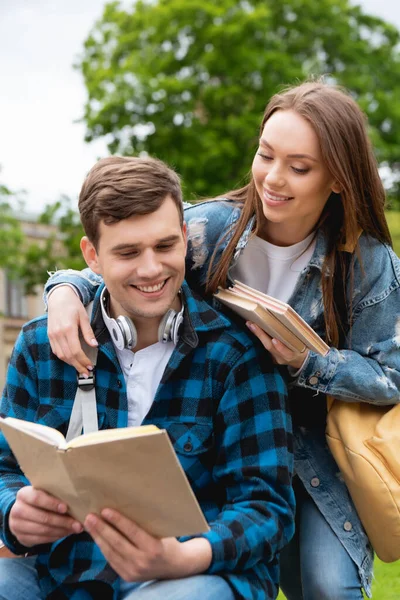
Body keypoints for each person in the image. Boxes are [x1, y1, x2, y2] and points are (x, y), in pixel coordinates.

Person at [42, 80, 400, 600]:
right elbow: (127, 263)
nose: (273, 179)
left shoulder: (367, 264)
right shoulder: (209, 228)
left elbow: (390, 375)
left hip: (312, 451)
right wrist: (64, 289)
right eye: (265, 155)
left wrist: (310, 363)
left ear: (339, 179)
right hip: (225, 440)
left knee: (328, 585)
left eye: (299, 168)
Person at [0, 156, 295, 600]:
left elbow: (267, 508)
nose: (152, 269)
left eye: (164, 246)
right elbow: (4, 469)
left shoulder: (237, 354)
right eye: (128, 252)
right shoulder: (40, 346)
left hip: (195, 575)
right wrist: (12, 514)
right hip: (64, 572)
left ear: (183, 239)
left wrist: (186, 556)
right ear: (92, 256)